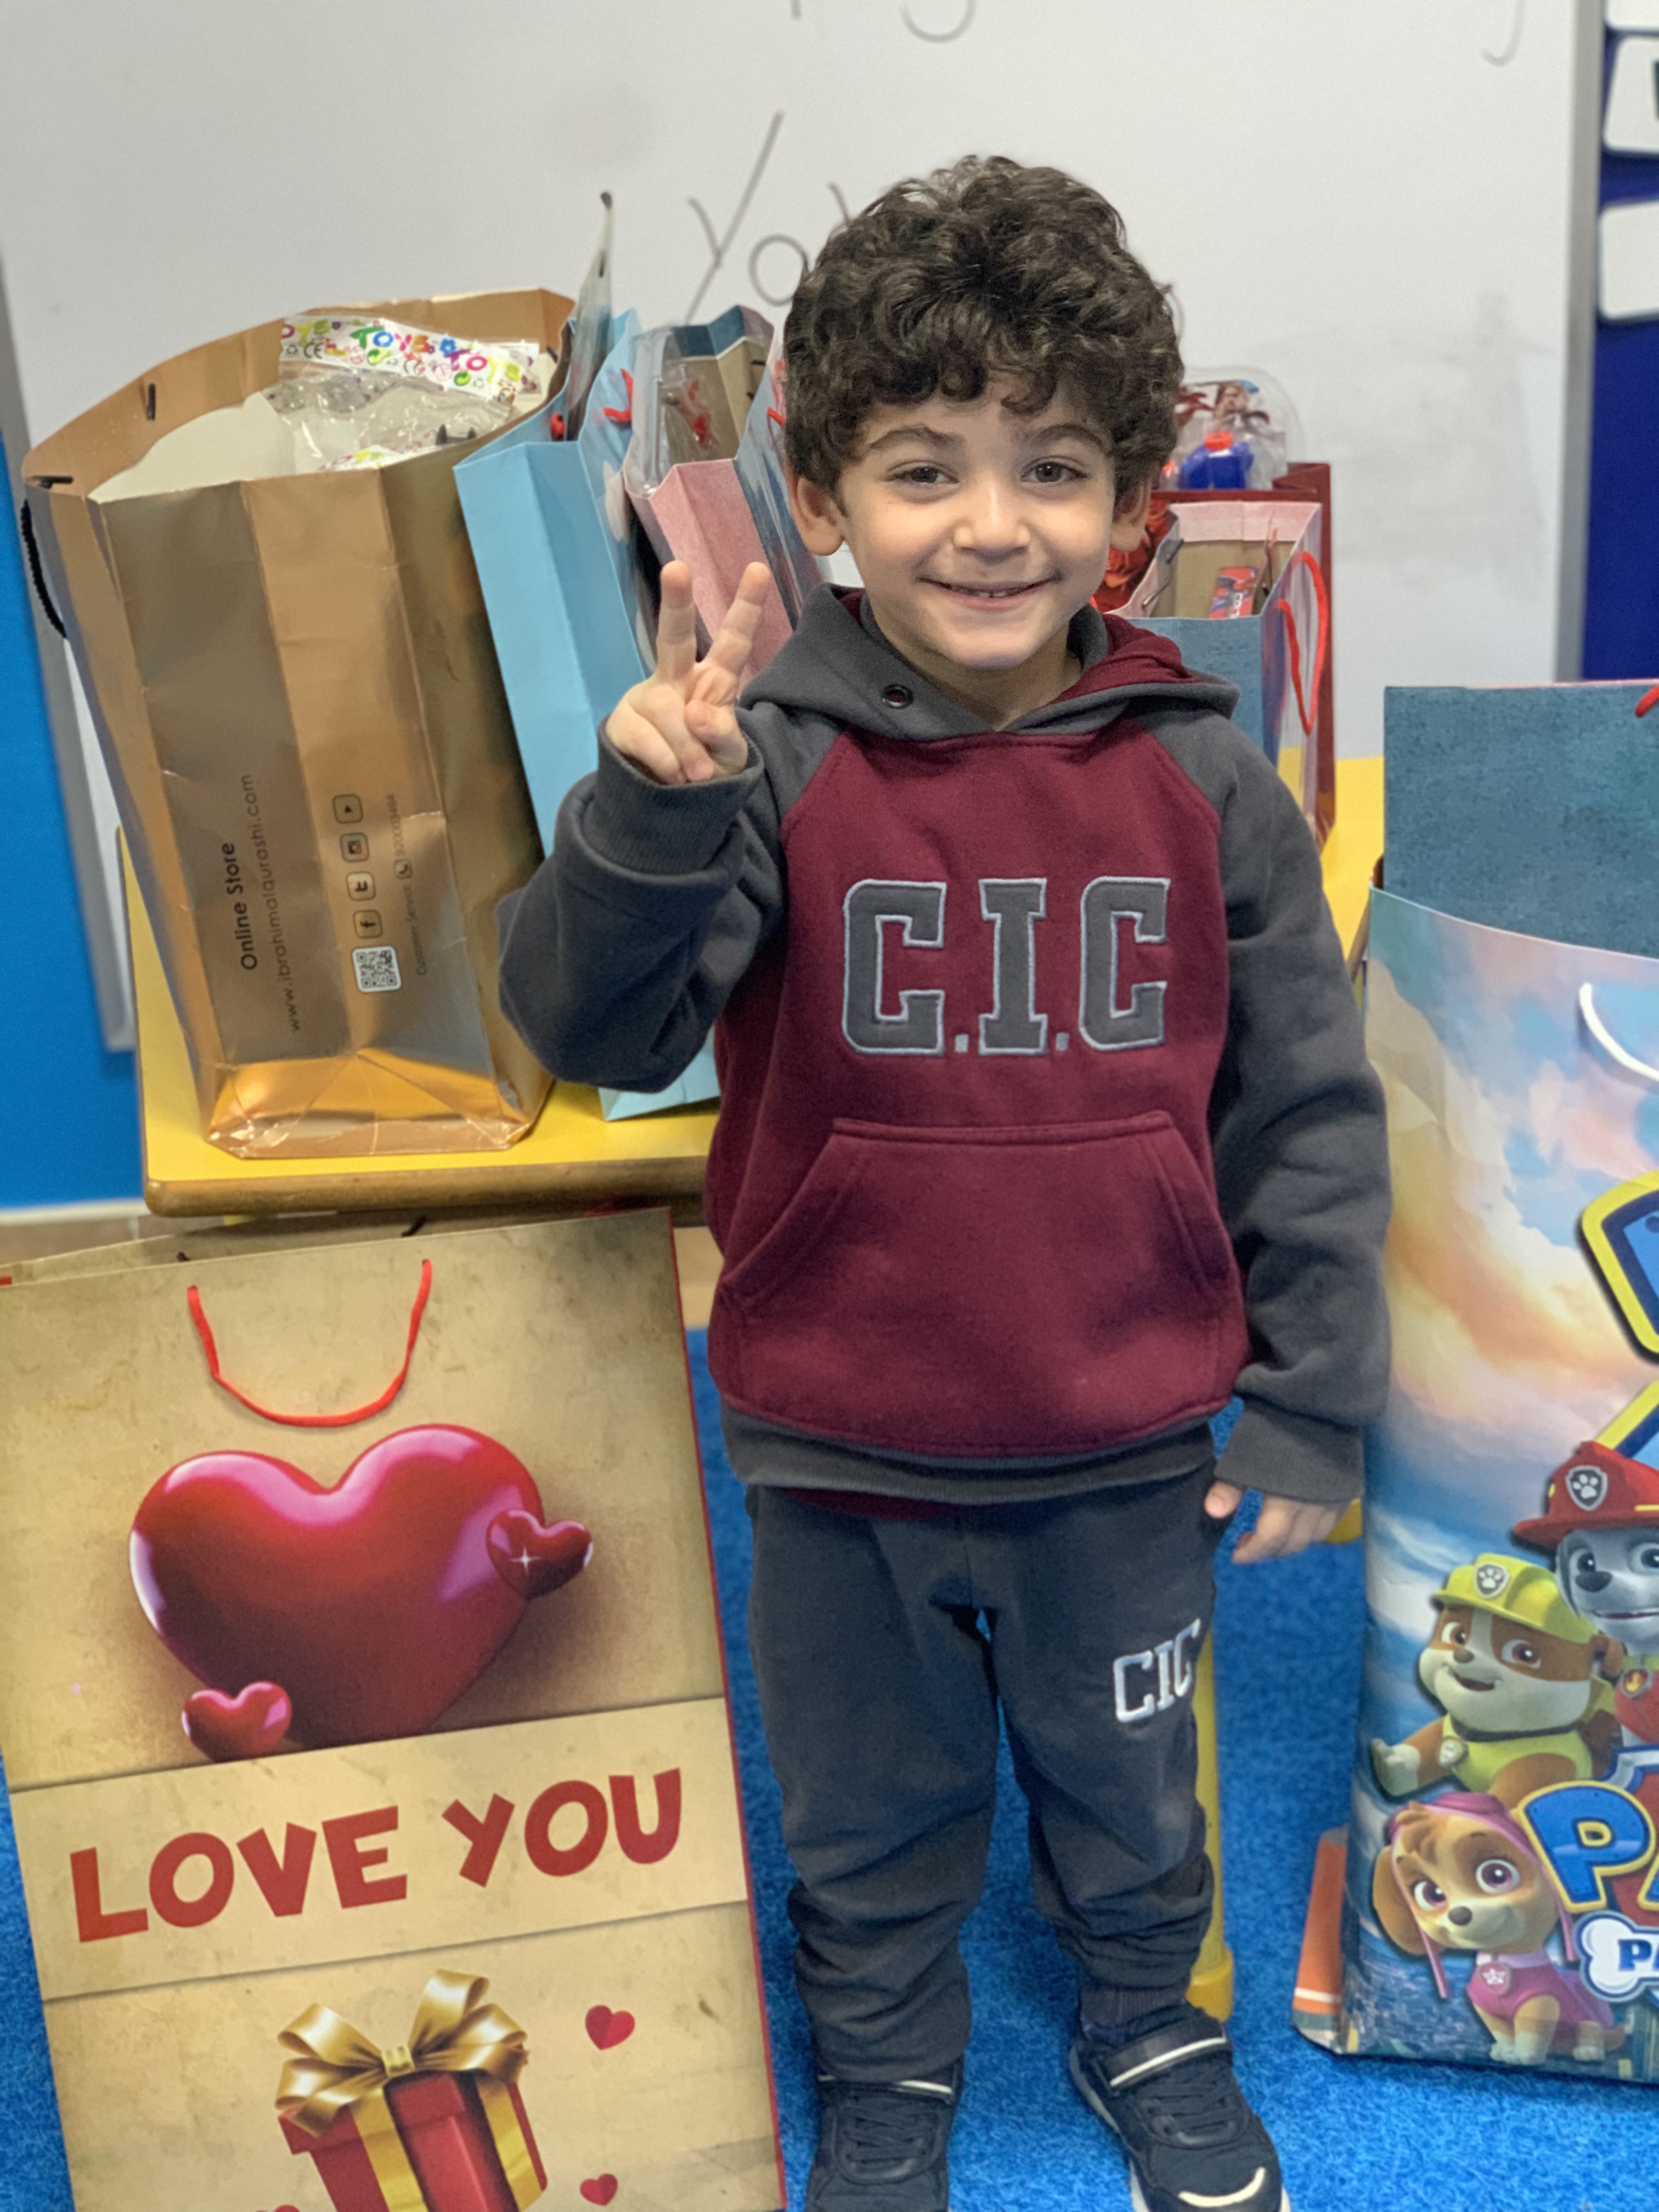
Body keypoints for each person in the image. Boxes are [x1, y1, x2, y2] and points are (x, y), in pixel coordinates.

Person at [498, 155, 1389, 2212]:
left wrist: (1312, 1399)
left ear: (1128, 501)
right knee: (869, 1805)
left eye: (1052, 468)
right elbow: (591, 1028)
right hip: (843, 1445)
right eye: (925, 470)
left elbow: (1309, 1110)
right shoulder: (765, 758)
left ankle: (1146, 2020)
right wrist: (650, 807)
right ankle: (889, 2065)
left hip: (1125, 1442)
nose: (993, 524)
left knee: (1132, 1792)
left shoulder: (1207, 779)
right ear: (824, 499)